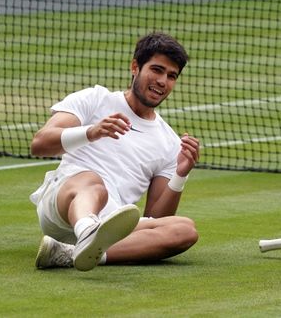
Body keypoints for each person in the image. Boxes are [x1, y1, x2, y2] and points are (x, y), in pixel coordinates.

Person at [29, 32, 199, 271]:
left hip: (111, 226)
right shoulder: (95, 98)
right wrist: (90, 132)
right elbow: (39, 144)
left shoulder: (170, 143)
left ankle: (70, 253)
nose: (163, 81)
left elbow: (156, 218)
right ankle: (87, 231)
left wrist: (180, 175)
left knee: (184, 229)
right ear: (135, 67)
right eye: (157, 70)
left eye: (171, 76)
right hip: (63, 205)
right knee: (93, 182)